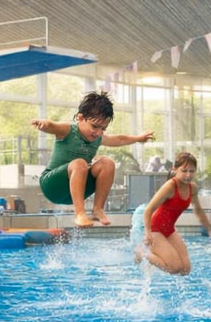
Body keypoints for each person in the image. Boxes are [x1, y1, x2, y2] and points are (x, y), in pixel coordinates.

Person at [32, 91, 153, 228]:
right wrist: (44, 124)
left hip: (75, 192)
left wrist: (139, 138)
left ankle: (98, 209)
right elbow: (53, 126)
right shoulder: (68, 130)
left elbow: (120, 139)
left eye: (103, 128)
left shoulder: (98, 138)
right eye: (94, 126)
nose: (98, 132)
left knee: (107, 163)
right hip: (52, 186)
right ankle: (79, 213)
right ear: (80, 118)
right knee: (80, 163)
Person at [138, 152, 211, 276]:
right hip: (155, 229)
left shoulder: (192, 188)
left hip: (169, 230)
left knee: (185, 270)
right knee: (175, 268)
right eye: (184, 171)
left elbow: (198, 209)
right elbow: (148, 210)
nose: (188, 175)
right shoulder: (170, 186)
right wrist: (148, 233)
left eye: (192, 171)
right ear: (175, 169)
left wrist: (209, 230)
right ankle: (142, 253)